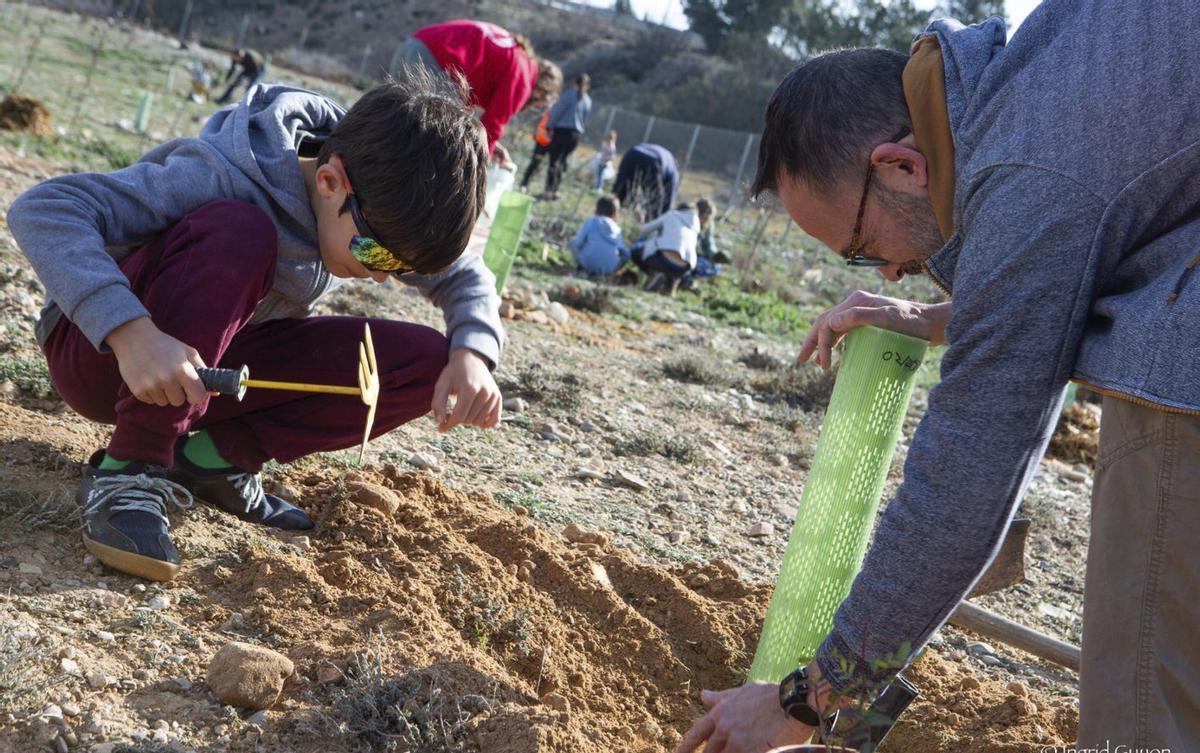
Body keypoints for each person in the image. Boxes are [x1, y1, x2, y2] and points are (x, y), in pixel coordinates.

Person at [676, 2, 1200, 751]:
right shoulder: (1036, 84)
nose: (886, 268)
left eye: (860, 245)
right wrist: (950, 310)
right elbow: (1107, 210)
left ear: (902, 165)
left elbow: (969, 471)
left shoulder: (1026, 167)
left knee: (1147, 714)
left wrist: (806, 699)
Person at [8, 70, 503, 584]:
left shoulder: (381, 197)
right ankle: (130, 471)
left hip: (209, 371)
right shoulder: (222, 173)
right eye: (375, 253)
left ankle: (208, 462)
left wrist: (473, 356)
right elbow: (44, 209)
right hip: (108, 357)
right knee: (240, 232)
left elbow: (466, 274)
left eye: (401, 268)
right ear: (331, 182)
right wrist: (131, 331)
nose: (382, 274)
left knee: (421, 363)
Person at [396, 19, 563, 166]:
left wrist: (487, 144)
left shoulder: (516, 54)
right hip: (433, 62)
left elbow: (473, 120)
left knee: (397, 131)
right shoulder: (524, 76)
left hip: (412, 46)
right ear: (541, 93)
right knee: (433, 150)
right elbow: (492, 126)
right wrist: (481, 167)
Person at [539, 73, 592, 201]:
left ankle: (548, 191)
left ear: (575, 82)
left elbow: (557, 111)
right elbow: (584, 120)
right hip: (575, 135)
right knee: (562, 162)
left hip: (562, 132)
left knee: (554, 161)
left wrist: (549, 126)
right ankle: (555, 190)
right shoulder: (587, 100)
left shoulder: (569, 95)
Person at [631, 201, 699, 295]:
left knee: (636, 250)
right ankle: (670, 287)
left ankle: (654, 274)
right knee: (677, 257)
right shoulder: (695, 227)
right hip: (685, 267)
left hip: (663, 260)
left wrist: (638, 222)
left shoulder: (672, 215)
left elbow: (644, 230)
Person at [612, 142, 679, 220]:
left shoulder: (668, 158)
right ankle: (651, 228)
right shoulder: (674, 170)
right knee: (655, 203)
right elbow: (668, 200)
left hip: (632, 154)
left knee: (618, 193)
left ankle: (606, 216)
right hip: (652, 161)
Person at [569, 195, 628, 276]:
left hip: (588, 263)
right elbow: (624, 251)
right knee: (626, 253)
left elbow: (578, 243)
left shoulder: (591, 222)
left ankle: (582, 268)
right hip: (608, 269)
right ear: (615, 214)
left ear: (596, 210)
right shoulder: (617, 229)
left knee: (572, 241)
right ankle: (613, 271)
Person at [680, 197, 726, 291]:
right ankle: (684, 280)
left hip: (690, 256)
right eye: (705, 217)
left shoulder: (707, 225)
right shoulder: (686, 217)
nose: (706, 221)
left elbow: (708, 245)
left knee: (716, 267)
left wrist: (715, 256)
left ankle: (686, 281)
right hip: (679, 254)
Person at [519, 110, 553, 191]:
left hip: (550, 141)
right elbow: (541, 123)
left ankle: (548, 190)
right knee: (534, 163)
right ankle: (524, 184)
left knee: (550, 166)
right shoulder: (552, 108)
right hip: (542, 142)